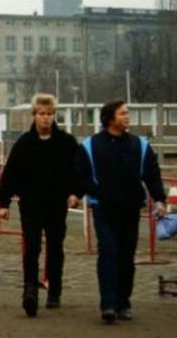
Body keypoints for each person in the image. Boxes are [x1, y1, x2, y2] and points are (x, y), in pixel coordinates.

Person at [69, 100, 166, 323]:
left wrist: (159, 199)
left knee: (126, 256)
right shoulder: (90, 145)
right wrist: (76, 194)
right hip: (103, 209)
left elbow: (152, 174)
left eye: (127, 113)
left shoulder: (139, 145)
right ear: (110, 118)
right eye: (123, 113)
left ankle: (124, 302)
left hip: (130, 209)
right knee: (108, 252)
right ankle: (108, 304)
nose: (127, 116)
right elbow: (80, 174)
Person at [0, 93, 77, 317]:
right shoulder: (24, 143)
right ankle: (29, 290)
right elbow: (11, 173)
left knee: (55, 248)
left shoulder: (66, 143)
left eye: (50, 114)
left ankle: (54, 290)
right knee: (31, 248)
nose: (46, 118)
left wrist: (75, 192)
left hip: (56, 204)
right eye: (42, 114)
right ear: (34, 115)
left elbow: (77, 170)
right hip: (31, 204)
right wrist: (3, 203)